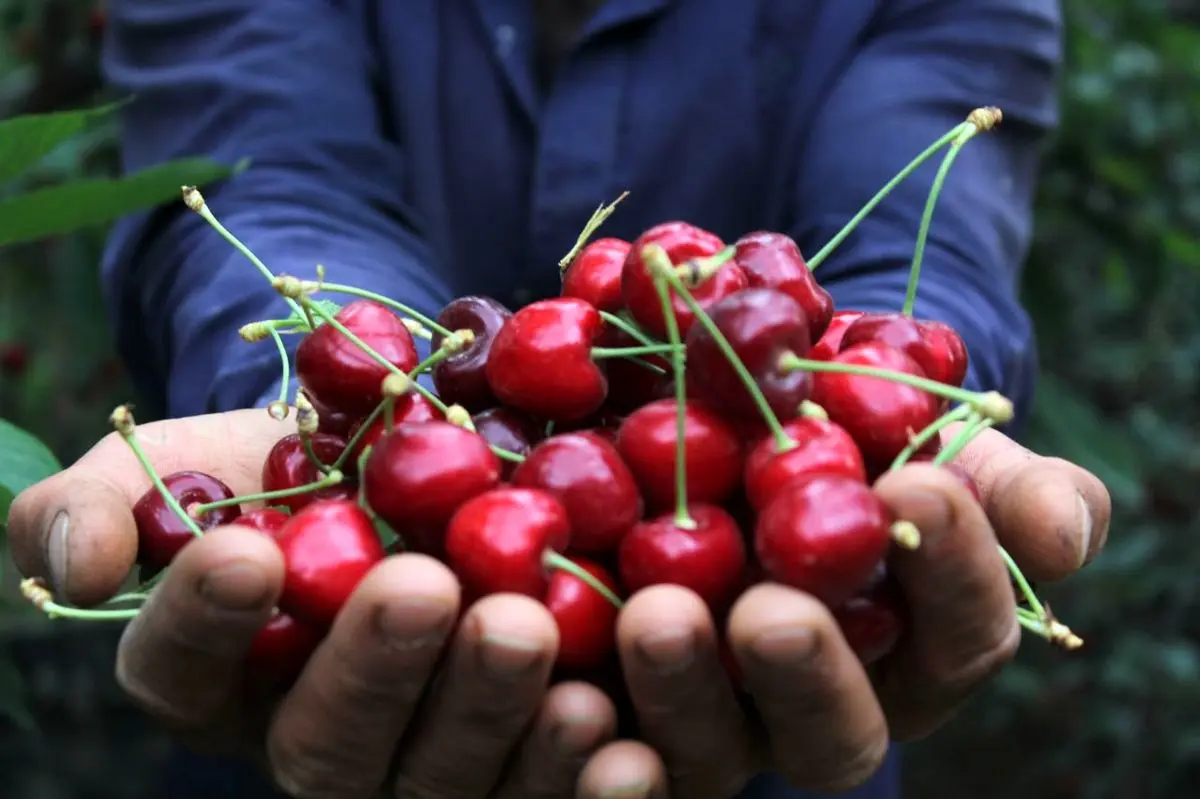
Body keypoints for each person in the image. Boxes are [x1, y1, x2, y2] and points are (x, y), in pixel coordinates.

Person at [6, 0, 1110, 798]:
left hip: (787, 704)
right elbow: (276, 166)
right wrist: (320, 390)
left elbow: (921, 259)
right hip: (317, 692)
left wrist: (899, 415)